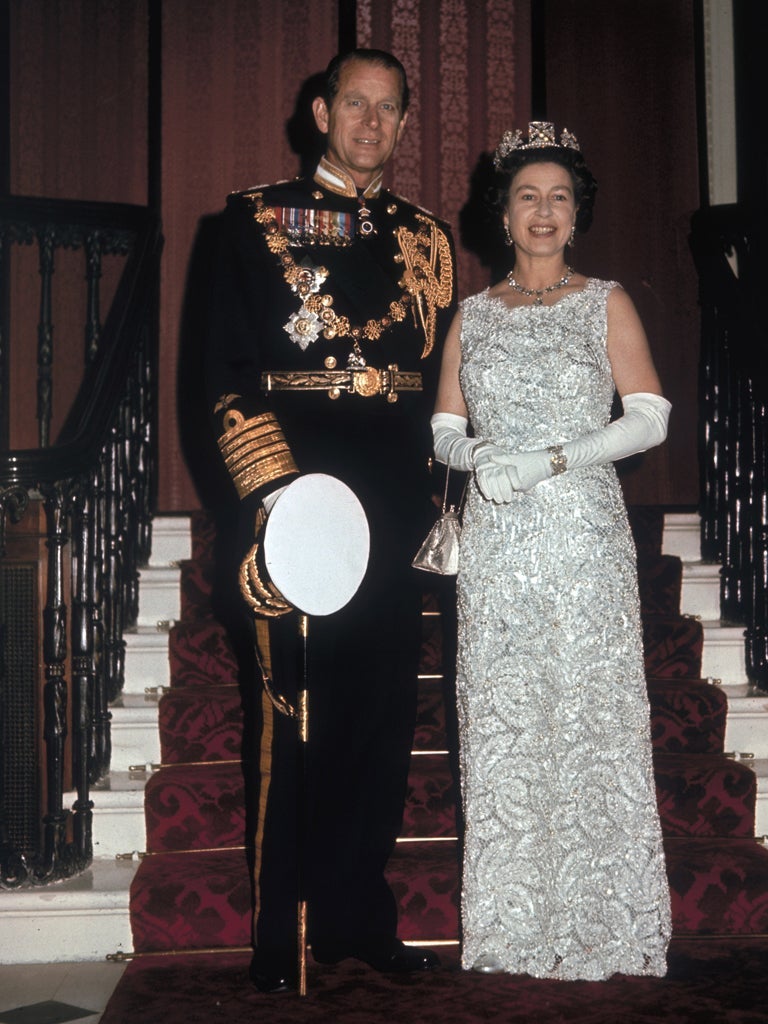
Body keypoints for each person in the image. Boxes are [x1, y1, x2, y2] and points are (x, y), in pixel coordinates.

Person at [205, 49, 457, 993]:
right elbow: (227, 371)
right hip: (298, 492)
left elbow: (437, 383)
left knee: (379, 719)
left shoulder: (426, 238)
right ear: (321, 111)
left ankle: (358, 914)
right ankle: (284, 925)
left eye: (389, 109)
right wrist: (274, 496)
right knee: (290, 719)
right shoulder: (254, 219)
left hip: (392, 503)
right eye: (355, 103)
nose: (371, 122)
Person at [431, 122, 672, 980]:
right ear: (502, 213)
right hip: (498, 546)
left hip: (583, 536)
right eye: (527, 196)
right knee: (504, 722)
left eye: (559, 197)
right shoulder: (471, 316)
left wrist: (553, 457)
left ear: (578, 215)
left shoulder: (605, 301)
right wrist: (480, 456)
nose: (543, 211)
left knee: (589, 721)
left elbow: (650, 415)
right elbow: (444, 430)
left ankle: (607, 924)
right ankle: (511, 927)